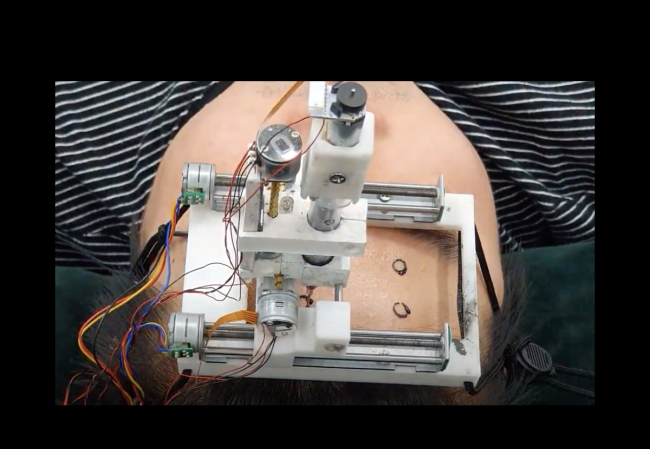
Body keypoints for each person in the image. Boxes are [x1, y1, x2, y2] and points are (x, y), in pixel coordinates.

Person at [54, 81, 596, 405]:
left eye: (227, 223)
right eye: (416, 229)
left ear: (141, 247)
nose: (312, 136)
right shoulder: (570, 154)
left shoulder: (75, 148)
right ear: (495, 269)